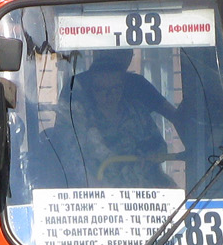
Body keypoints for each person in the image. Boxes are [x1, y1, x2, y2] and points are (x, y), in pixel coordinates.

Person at [65, 49, 181, 186]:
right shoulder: (80, 120)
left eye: (116, 88)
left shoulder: (138, 113)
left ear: (123, 87)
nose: (110, 95)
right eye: (102, 90)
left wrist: (150, 155)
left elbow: (160, 147)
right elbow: (71, 163)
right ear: (92, 90)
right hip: (98, 197)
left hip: (144, 194)